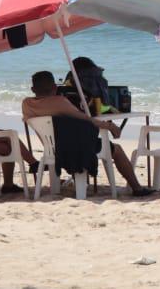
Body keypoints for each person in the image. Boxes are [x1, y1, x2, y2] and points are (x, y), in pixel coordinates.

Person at [21, 70, 152, 196]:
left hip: (52, 149)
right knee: (116, 149)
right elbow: (86, 119)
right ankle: (137, 188)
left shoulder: (26, 104)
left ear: (33, 89)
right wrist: (109, 125)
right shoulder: (59, 102)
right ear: (55, 87)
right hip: (72, 148)